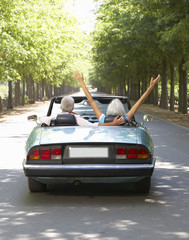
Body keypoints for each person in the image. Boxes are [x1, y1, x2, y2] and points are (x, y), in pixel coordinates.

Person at [73, 71, 161, 123]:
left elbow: (91, 101)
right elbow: (139, 102)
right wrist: (150, 87)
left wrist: (81, 81)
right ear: (121, 109)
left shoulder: (103, 119)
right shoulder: (125, 119)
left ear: (109, 109)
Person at [28, 95, 125, 126]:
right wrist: (113, 123)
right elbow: (95, 126)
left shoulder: (52, 119)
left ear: (61, 107)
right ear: (73, 108)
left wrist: (35, 117)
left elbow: (40, 119)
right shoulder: (78, 119)